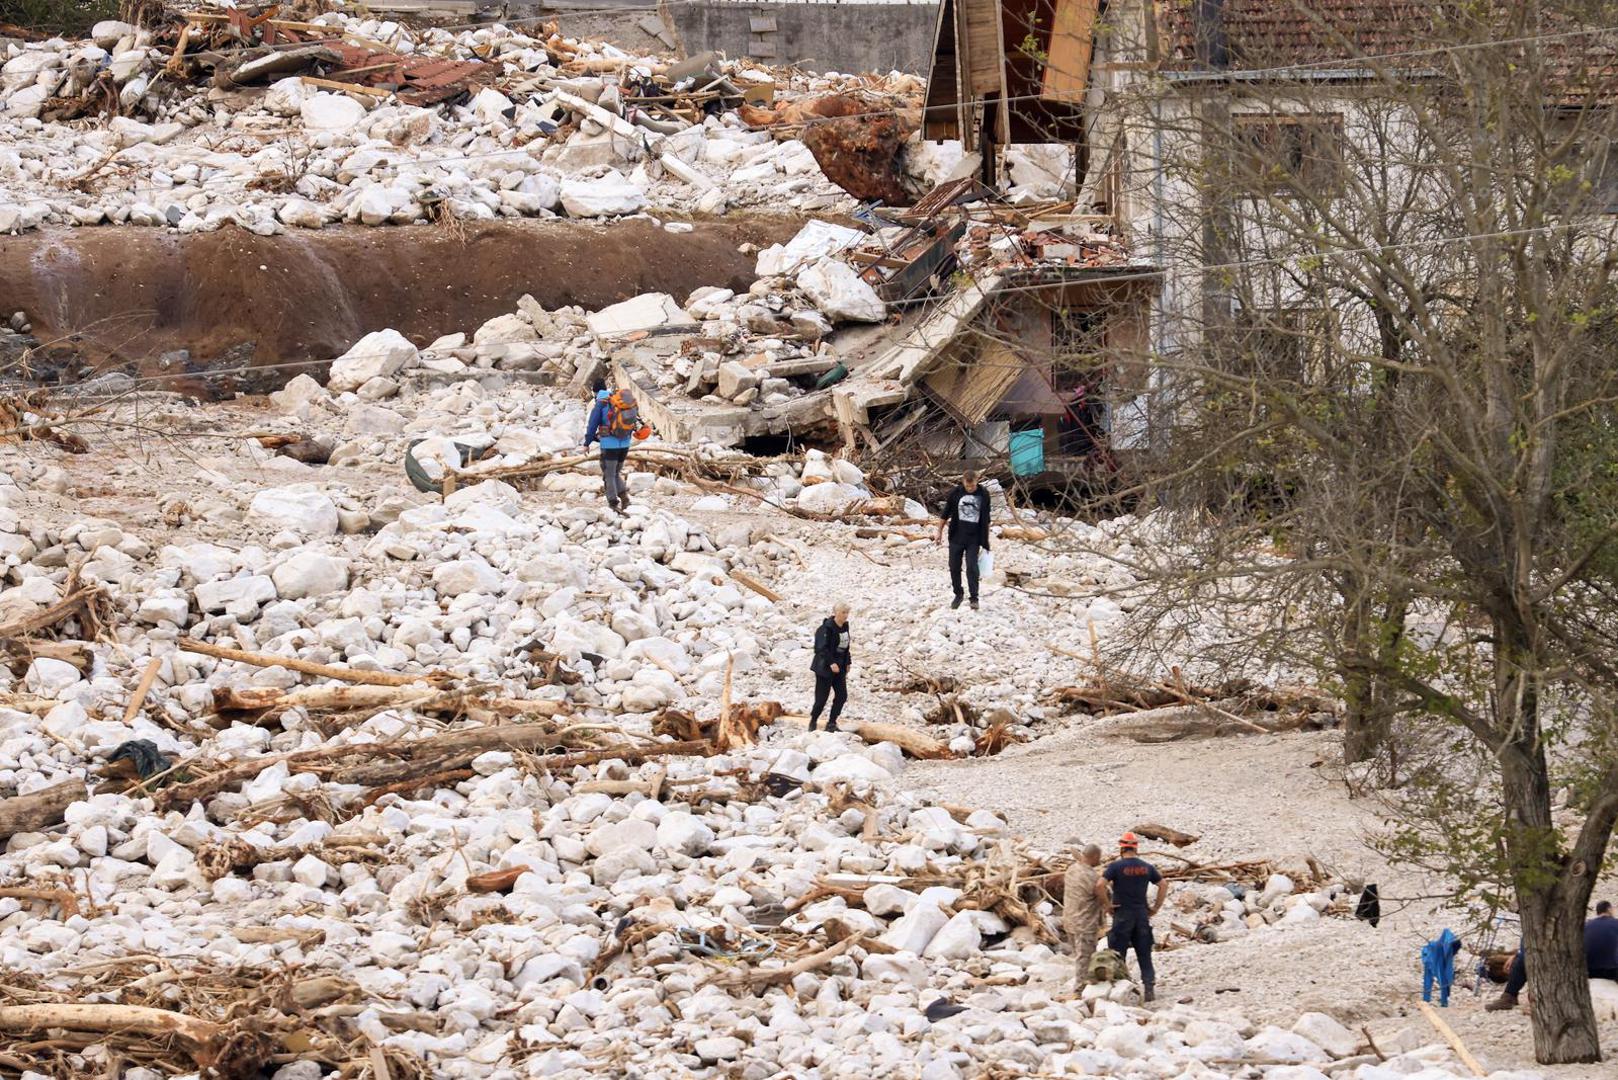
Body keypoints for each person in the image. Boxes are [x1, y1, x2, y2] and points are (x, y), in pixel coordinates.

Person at [1486, 900, 1618, 1011]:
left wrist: (1519, 954)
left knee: (1523, 958)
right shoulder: (1587, 925)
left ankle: (1509, 996)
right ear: (1610, 910)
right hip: (1612, 972)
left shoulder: (1586, 926)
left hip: (1583, 971)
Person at [1103, 831, 1169, 1002]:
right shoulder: (1146, 867)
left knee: (1118, 954)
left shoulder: (1115, 867)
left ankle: (1120, 988)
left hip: (1122, 915)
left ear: (1121, 848)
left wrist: (1107, 905)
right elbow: (1163, 884)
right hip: (1141, 915)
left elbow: (1098, 885)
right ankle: (1149, 988)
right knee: (1144, 953)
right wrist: (1156, 907)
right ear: (1136, 848)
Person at [937, 469, 991, 609]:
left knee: (972, 567)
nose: (970, 488)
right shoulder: (956, 493)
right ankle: (958, 594)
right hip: (956, 536)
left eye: (972, 486)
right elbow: (945, 513)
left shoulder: (984, 494)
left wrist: (986, 539)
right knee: (954, 567)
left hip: (974, 538)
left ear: (977, 481)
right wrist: (939, 532)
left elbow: (987, 518)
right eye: (967, 486)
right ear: (963, 482)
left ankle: (974, 597)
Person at [1063, 842, 1110, 990]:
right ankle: (1080, 989)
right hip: (1085, 923)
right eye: (1099, 857)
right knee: (1085, 957)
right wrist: (1108, 904)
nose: (1100, 860)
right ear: (1094, 856)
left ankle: (1085, 983)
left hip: (1069, 920)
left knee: (1078, 955)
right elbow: (1102, 892)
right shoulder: (1092, 876)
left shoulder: (1071, 870)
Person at [583, 383, 632, 512]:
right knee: (615, 472)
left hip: (610, 446)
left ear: (595, 392)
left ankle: (613, 503)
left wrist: (586, 443)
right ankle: (625, 499)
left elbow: (592, 425)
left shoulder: (601, 404)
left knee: (609, 474)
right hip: (625, 444)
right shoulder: (619, 401)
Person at [809, 602, 852, 732]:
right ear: (835, 613)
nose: (846, 615)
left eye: (847, 612)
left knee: (842, 696)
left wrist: (848, 662)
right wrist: (831, 663)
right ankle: (813, 720)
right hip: (825, 668)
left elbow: (846, 647)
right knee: (821, 698)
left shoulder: (845, 627)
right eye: (843, 612)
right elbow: (820, 648)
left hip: (840, 667)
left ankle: (832, 723)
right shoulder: (825, 628)